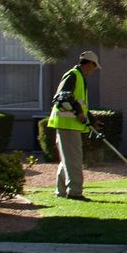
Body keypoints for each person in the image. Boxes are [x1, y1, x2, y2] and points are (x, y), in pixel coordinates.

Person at [48, 51, 99, 201]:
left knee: (67, 160)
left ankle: (61, 191)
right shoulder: (73, 75)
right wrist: (79, 113)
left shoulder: (78, 77)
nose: (93, 71)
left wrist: (91, 119)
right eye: (94, 68)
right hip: (68, 125)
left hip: (69, 125)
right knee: (74, 160)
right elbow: (62, 97)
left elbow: (81, 104)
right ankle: (75, 192)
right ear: (90, 64)